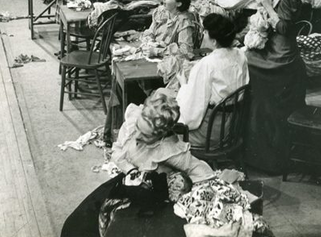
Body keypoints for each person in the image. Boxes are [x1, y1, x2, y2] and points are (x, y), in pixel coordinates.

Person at [61, 88, 215, 237]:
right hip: (124, 183)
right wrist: (130, 170)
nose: (137, 136)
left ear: (160, 137)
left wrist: (176, 187)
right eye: (138, 128)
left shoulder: (169, 151)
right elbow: (117, 150)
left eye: (146, 135)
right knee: (74, 227)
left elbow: (204, 173)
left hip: (147, 197)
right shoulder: (133, 119)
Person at [103, 0, 196, 146]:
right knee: (119, 77)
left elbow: (186, 52)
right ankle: (119, 132)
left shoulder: (184, 22)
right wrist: (147, 40)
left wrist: (158, 50)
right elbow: (150, 32)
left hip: (163, 74)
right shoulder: (161, 12)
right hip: (151, 61)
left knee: (128, 82)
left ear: (179, 3)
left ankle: (134, 132)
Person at [244, 0, 306, 175]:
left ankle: (268, 158)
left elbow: (285, 29)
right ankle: (254, 152)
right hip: (271, 51)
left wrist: (269, 8)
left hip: (281, 58)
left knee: (248, 70)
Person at [176, 13, 249, 148]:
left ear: (214, 41)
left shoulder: (207, 64)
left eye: (205, 31)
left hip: (210, 132)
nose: (203, 33)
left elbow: (191, 111)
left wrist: (183, 84)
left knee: (161, 127)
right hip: (232, 127)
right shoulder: (241, 56)